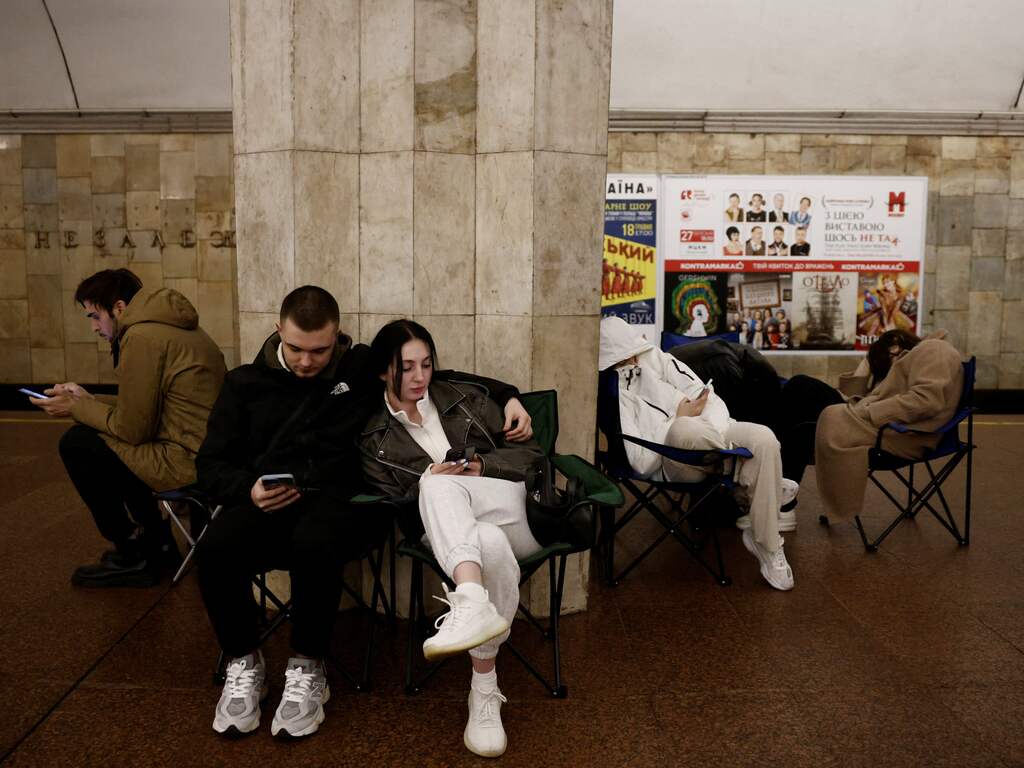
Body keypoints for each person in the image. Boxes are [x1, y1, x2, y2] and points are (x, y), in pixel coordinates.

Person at [197, 288, 531, 740]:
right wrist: (247, 489)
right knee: (215, 547)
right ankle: (242, 660)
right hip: (264, 500)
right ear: (278, 331)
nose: (307, 361)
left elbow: (424, 373)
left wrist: (507, 394)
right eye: (295, 348)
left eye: (320, 349)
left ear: (337, 336)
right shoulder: (243, 384)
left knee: (316, 539)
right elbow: (210, 466)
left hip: (341, 502)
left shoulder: (357, 367)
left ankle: (307, 668)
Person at [359, 320, 544, 758]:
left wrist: (482, 467)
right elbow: (397, 509)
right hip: (455, 536)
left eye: (426, 364)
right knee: (481, 535)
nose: (420, 376)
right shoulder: (373, 439)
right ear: (384, 372)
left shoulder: (464, 397)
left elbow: (533, 457)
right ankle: (483, 687)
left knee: (438, 485)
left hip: (513, 509)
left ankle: (470, 601)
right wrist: (427, 484)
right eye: (406, 367)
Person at [28, 269, 225, 587]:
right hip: (203, 449)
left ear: (119, 308)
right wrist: (88, 399)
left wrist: (75, 408)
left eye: (95, 316)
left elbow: (134, 430)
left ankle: (135, 549)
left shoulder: (142, 337)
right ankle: (156, 545)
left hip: (187, 460)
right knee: (101, 441)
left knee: (79, 443)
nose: (93, 327)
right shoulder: (169, 327)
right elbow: (146, 408)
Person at [599, 317, 799, 591]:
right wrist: (677, 418)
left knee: (763, 438)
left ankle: (767, 542)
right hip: (672, 458)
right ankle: (760, 482)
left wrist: (714, 426)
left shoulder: (656, 359)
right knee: (685, 430)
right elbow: (641, 461)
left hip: (713, 436)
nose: (634, 359)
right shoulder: (616, 392)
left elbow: (708, 397)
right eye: (626, 355)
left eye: (634, 352)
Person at [815, 330, 963, 519]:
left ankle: (784, 499)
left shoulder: (935, 349)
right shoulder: (910, 357)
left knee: (808, 402)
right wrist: (867, 363)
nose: (891, 363)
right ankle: (784, 496)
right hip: (882, 425)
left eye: (889, 357)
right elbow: (853, 396)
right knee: (805, 415)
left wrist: (870, 411)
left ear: (898, 342)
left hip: (903, 435)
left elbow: (926, 401)